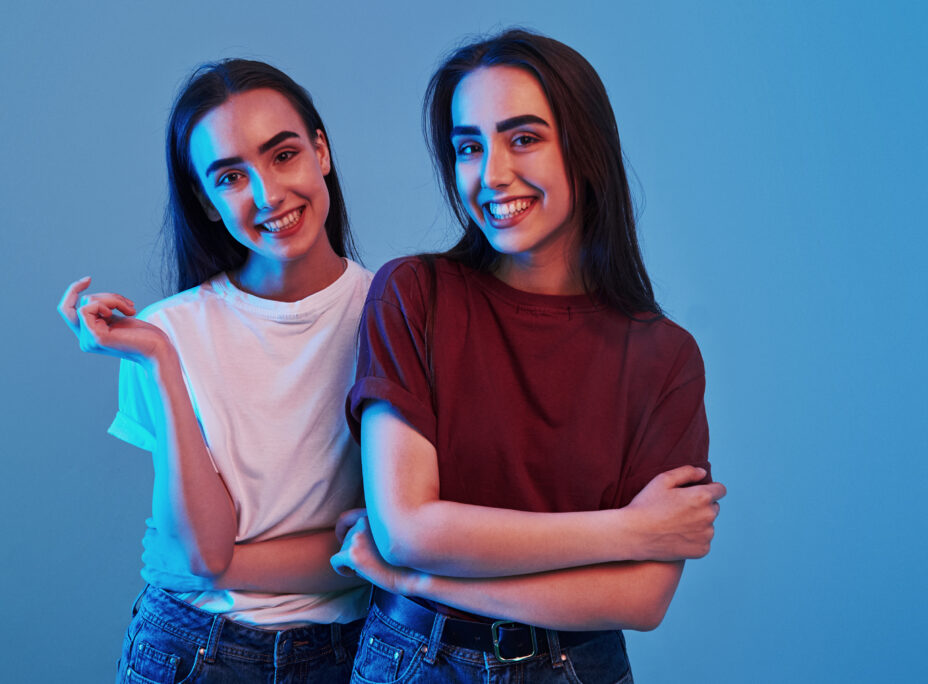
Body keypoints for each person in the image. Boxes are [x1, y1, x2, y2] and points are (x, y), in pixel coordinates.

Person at [332, 29, 726, 683]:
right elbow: (407, 530)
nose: (490, 175)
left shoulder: (665, 357)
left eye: (523, 138)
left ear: (585, 149)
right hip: (412, 662)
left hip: (581, 668)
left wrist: (418, 578)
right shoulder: (414, 295)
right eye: (468, 147)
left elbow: (643, 599)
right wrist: (628, 531)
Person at [57, 59, 372, 683]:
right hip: (194, 649)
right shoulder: (167, 331)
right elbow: (201, 548)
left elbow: (386, 543)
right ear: (206, 201)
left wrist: (228, 565)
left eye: (283, 155)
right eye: (231, 177)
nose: (267, 195)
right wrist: (163, 364)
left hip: (353, 650)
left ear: (321, 150)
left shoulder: (397, 312)